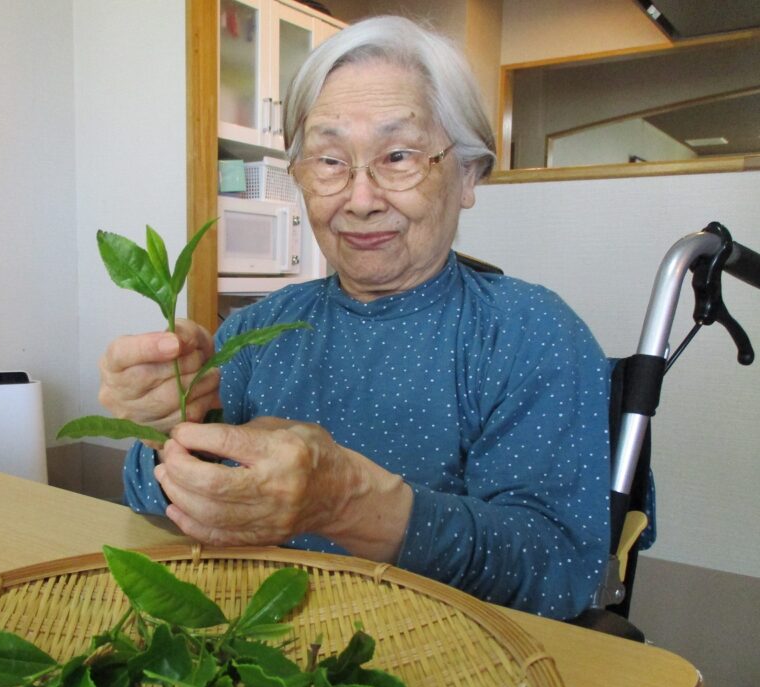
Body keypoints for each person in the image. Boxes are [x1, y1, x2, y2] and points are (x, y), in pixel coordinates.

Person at [99, 16, 611, 620]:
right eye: (330, 161)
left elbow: (556, 574)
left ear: (468, 173)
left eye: (398, 156)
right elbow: (149, 502)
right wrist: (162, 428)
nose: (360, 199)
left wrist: (346, 502)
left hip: (449, 663)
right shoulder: (255, 334)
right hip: (254, 643)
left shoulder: (529, 333)